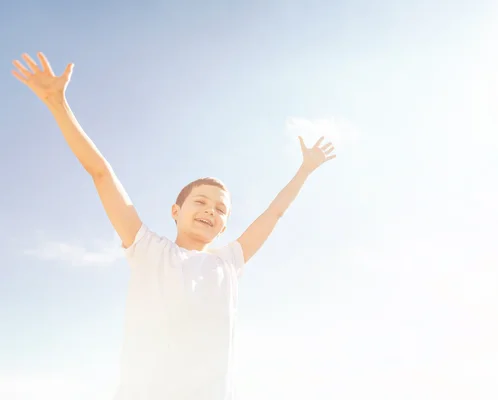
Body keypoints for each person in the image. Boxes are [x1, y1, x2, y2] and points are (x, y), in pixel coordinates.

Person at [11, 52, 336, 399]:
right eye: (200, 202)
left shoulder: (227, 263)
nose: (210, 211)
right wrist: (57, 103)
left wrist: (304, 171)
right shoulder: (148, 248)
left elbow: (273, 214)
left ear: (224, 227)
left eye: (220, 210)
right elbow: (101, 173)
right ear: (175, 211)